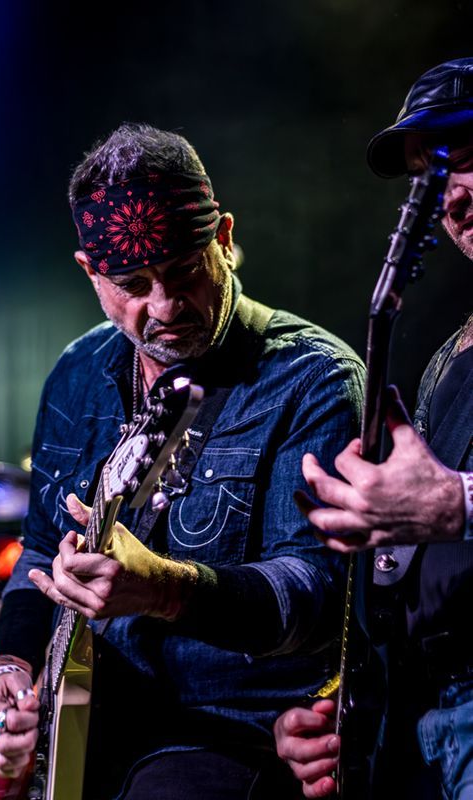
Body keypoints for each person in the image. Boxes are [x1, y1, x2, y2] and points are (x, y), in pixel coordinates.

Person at [0, 122, 365, 799]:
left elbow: (318, 596)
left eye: (184, 271)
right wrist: (10, 666)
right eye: (132, 283)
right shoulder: (77, 374)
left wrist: (164, 589)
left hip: (233, 736)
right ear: (90, 272)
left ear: (224, 239)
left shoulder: (314, 379)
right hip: (93, 730)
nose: (164, 305)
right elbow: (39, 549)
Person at [274, 58, 473, 800]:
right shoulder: (451, 358)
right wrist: (343, 702)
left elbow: (450, 507)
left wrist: (457, 502)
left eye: (464, 158)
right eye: (428, 176)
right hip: (427, 722)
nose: (450, 198)